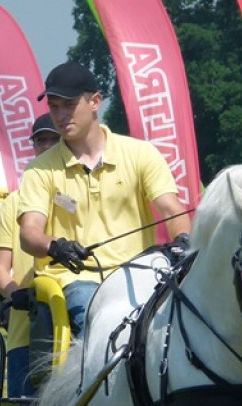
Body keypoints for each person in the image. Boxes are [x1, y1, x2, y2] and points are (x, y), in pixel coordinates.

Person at [17, 62, 191, 339]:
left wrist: (184, 241)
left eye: (69, 105)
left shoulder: (140, 153)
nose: (60, 115)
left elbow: (171, 209)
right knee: (101, 324)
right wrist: (55, 246)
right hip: (76, 280)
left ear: (95, 101)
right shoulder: (39, 169)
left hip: (142, 273)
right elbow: (29, 233)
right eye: (54, 106)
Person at [0, 113, 61, 397]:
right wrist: (15, 294)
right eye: (39, 140)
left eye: (53, 139)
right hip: (25, 333)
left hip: (72, 332)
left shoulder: (77, 195)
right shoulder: (14, 202)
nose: (45, 146)